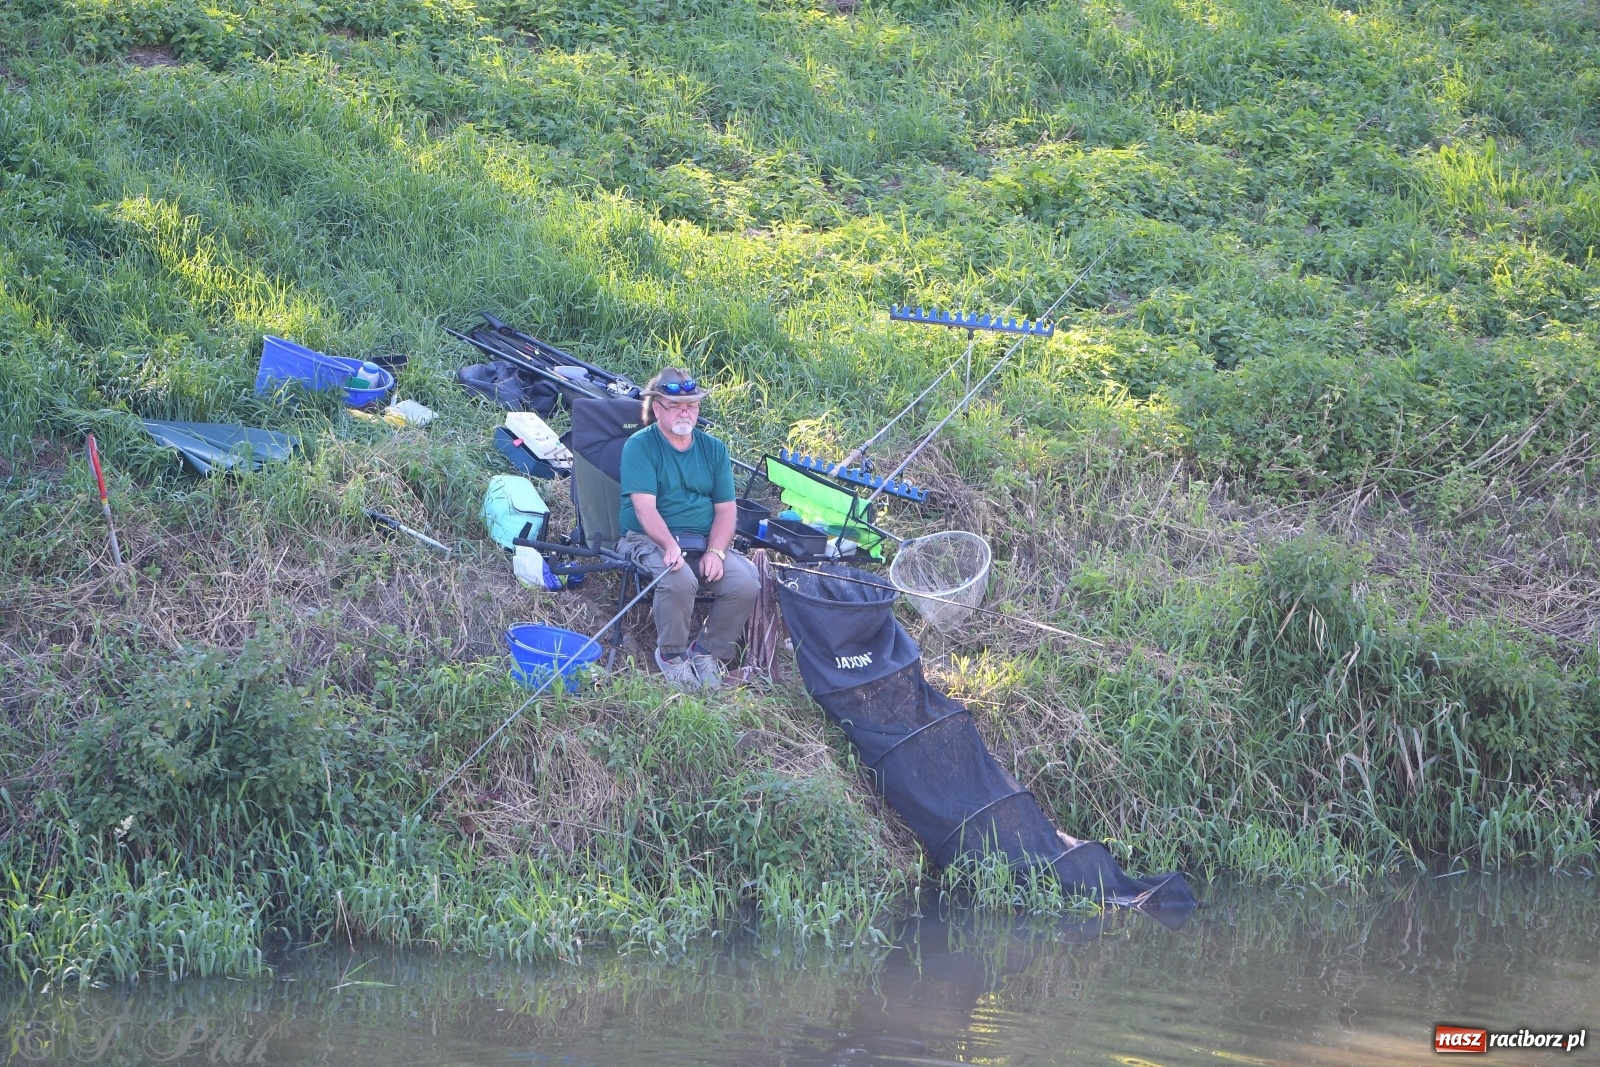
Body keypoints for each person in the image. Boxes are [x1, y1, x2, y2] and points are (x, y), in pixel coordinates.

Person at [617, 368, 758, 690]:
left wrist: (716, 551)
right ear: (657, 408)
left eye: (692, 405)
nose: (685, 411)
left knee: (745, 584)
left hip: (702, 541)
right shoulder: (640, 446)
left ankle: (707, 652)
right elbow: (644, 508)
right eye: (676, 405)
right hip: (648, 539)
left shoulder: (714, 449)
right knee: (679, 580)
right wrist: (669, 546)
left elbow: (726, 510)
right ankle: (672, 655)